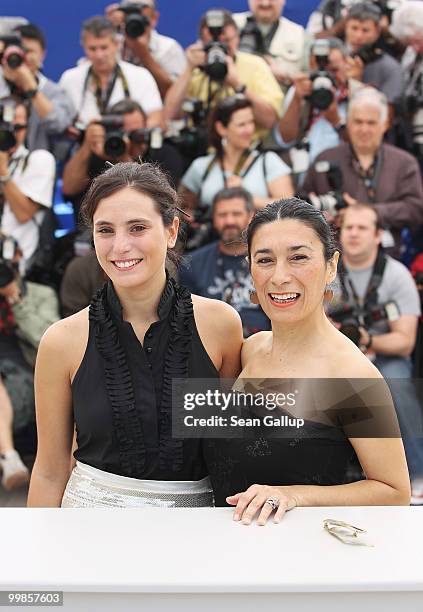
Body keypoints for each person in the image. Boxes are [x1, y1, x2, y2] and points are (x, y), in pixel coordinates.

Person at [27, 162, 243, 508]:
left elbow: (232, 449)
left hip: (196, 536)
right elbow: (50, 471)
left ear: (172, 230)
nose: (120, 246)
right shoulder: (61, 342)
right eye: (105, 230)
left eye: (138, 228)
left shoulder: (221, 326)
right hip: (88, 533)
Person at [203, 197, 410, 523]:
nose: (280, 276)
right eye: (265, 260)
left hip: (305, 560)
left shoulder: (351, 375)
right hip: (225, 551)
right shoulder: (249, 350)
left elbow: (395, 492)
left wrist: (294, 494)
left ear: (331, 266)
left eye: (298, 258)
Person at [330, 204, 423, 504]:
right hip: (336, 355)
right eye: (348, 228)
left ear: (379, 234)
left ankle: (417, 473)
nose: (354, 234)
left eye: (362, 228)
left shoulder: (397, 276)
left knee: (396, 383)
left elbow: (405, 341)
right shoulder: (327, 271)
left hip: (384, 355)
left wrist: (369, 340)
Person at [302, 87, 423, 256]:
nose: (364, 129)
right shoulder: (325, 158)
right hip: (331, 261)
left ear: (385, 124)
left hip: (386, 258)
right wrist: (321, 216)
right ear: (348, 123)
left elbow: (415, 209)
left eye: (371, 123)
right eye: (358, 122)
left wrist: (370, 213)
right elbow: (301, 203)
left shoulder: (404, 163)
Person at [164, 9, 283, 137]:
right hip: (202, 148)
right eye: (212, 43)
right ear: (201, 43)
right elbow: (169, 116)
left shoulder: (255, 65)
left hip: (246, 148)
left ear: (238, 38)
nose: (219, 48)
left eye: (226, 42)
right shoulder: (195, 70)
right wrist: (188, 69)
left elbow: (269, 121)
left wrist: (238, 86)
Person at [62, 98, 184, 214]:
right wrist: (87, 145)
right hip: (92, 229)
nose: (128, 141)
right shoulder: (100, 150)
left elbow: (159, 203)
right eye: (122, 133)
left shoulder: (165, 154)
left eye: (135, 134)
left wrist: (124, 159)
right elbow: (68, 188)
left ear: (146, 126)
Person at [179, 95, 293, 218]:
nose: (249, 130)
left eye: (251, 122)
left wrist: (247, 197)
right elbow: (183, 208)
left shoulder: (268, 162)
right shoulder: (202, 167)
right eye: (241, 124)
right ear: (221, 128)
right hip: (214, 236)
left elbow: (289, 208)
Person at [180, 186, 270, 337]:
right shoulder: (191, 263)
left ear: (250, 216)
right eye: (222, 215)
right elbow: (185, 319)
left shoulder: (271, 260)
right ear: (214, 219)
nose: (229, 221)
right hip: (212, 346)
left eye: (236, 214)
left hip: (265, 345)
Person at [59, 16, 163, 130]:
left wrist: (136, 133)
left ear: (116, 44)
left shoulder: (140, 76)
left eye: (104, 48)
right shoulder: (69, 79)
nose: (99, 55)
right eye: (92, 49)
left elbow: (155, 117)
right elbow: (62, 122)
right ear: (83, 46)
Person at [276, 37, 349, 175]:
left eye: (334, 70)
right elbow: (285, 139)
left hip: (343, 170)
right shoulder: (302, 90)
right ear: (311, 64)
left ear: (346, 64)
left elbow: (363, 146)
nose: (326, 76)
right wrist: (297, 99)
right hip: (305, 171)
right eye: (321, 69)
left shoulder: (355, 94)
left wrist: (336, 121)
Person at [0, 22, 75, 153]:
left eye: (28, 51)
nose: (23, 57)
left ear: (42, 54)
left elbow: (58, 125)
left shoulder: (55, 92)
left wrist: (31, 88)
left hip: (40, 167)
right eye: (19, 52)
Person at [0, 101, 56, 273]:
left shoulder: (38, 159)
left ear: (27, 128)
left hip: (18, 268)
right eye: (4, 128)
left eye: (18, 127)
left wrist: (3, 172)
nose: (11, 134)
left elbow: (23, 213)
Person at [105, 0, 187, 98]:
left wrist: (143, 54)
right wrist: (106, 30)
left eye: (141, 16)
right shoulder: (110, 45)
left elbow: (177, 96)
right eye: (130, 15)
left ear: (154, 18)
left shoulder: (168, 48)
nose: (135, 20)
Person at [233, 0, 309, 86]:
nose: (265, 3)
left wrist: (287, 77)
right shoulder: (230, 26)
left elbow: (308, 80)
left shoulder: (300, 35)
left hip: (283, 96)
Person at [343, 2, 403, 105]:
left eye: (365, 30)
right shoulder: (336, 60)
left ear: (377, 32)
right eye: (354, 28)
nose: (358, 36)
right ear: (346, 28)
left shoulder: (390, 68)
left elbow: (387, 113)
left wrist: (356, 83)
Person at [390, 1, 423, 167]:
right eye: (410, 42)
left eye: (418, 41)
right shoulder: (410, 55)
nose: (415, 47)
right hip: (411, 133)